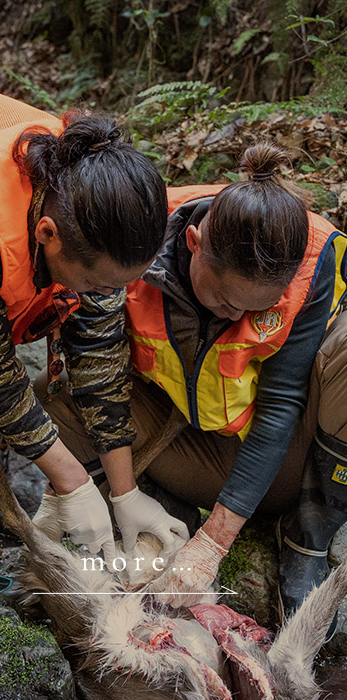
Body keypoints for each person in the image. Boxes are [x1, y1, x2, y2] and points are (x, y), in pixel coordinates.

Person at [34, 142, 347, 631]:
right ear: (195, 241)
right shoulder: (138, 236)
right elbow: (101, 368)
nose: (237, 318)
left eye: (255, 308)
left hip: (286, 459)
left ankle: (310, 533)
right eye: (224, 300)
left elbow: (282, 403)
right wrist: (123, 495)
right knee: (55, 393)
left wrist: (215, 542)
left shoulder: (312, 257)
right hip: (186, 438)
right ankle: (148, 510)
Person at [0, 82, 188, 594]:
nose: (109, 295)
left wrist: (124, 495)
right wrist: (72, 480)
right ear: (47, 235)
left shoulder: (99, 207)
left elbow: (99, 354)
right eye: (100, 283)